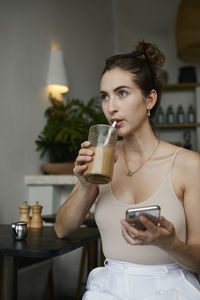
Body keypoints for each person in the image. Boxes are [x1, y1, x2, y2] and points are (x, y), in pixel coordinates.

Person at [55, 41, 200, 299]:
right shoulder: (102, 159)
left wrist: (170, 243)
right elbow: (62, 230)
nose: (111, 106)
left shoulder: (189, 165)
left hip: (169, 289)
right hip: (109, 290)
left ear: (150, 100)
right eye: (105, 96)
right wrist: (86, 185)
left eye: (122, 93)